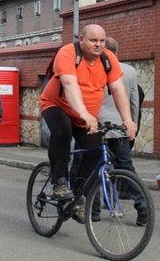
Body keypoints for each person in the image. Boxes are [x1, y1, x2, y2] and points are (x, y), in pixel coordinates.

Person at [40, 24, 137, 223]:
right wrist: (83, 112)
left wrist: (128, 120)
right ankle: (60, 182)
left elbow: (118, 90)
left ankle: (76, 197)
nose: (98, 45)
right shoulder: (68, 53)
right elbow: (69, 84)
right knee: (62, 132)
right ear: (81, 39)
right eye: (94, 40)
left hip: (86, 116)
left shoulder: (108, 59)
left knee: (95, 152)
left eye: (102, 41)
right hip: (57, 106)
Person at [96, 36, 147, 224]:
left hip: (95, 125)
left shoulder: (93, 67)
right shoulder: (130, 71)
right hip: (119, 127)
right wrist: (131, 125)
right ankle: (142, 205)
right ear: (117, 51)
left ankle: (93, 211)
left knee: (91, 166)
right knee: (126, 167)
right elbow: (134, 102)